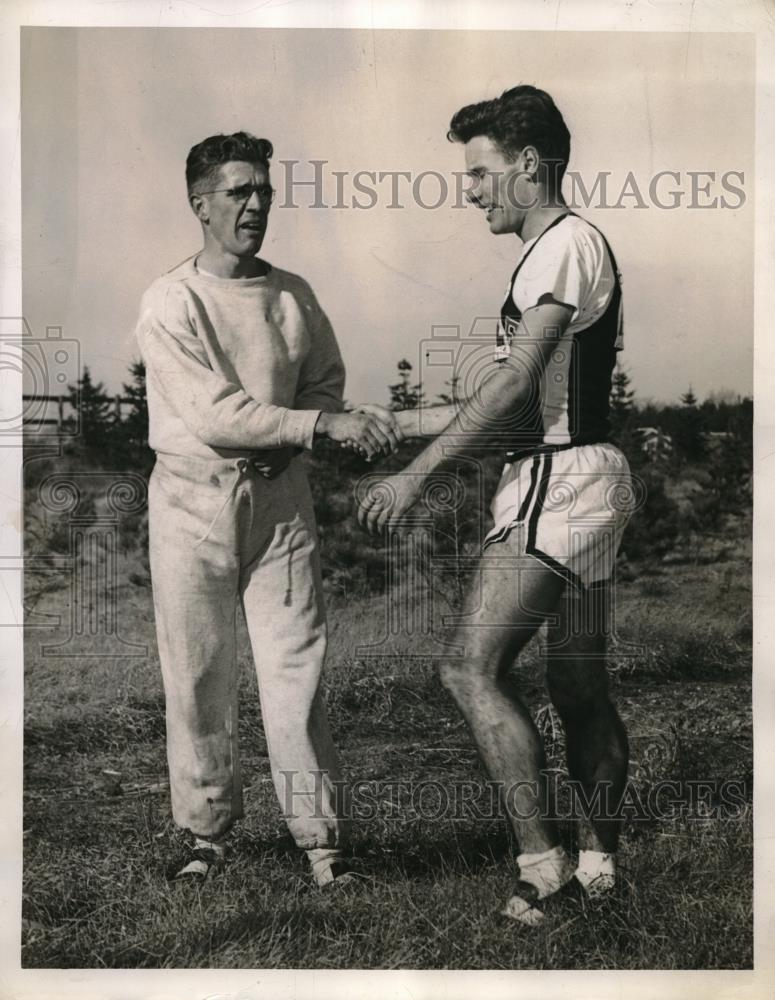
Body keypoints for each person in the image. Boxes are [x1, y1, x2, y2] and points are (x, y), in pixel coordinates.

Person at [358, 86, 633, 924]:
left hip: (562, 481)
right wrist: (392, 425)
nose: (469, 190)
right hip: (584, 476)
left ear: (527, 164)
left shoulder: (562, 244)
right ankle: (598, 865)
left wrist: (413, 475)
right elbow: (511, 400)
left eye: (478, 172)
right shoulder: (566, 251)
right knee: (576, 683)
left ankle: (541, 865)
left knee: (466, 667)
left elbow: (514, 386)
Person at [135, 131, 400, 886]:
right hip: (192, 500)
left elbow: (324, 381)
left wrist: (318, 426)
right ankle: (205, 837)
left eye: (263, 191)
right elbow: (215, 413)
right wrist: (318, 425)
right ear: (200, 205)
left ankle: (322, 846)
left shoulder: (293, 294)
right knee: (198, 672)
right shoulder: (170, 299)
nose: (255, 205)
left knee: (297, 669)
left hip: (281, 499)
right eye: (238, 192)